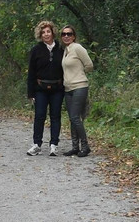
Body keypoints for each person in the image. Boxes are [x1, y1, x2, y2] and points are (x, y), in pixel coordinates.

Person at [26, 20, 65, 156]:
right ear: (40, 35)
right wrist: (31, 93)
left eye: (48, 31)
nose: (46, 34)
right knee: (39, 116)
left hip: (57, 88)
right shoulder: (36, 50)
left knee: (55, 116)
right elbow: (31, 72)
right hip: (40, 88)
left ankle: (54, 144)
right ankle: (37, 144)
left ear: (53, 32)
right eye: (43, 32)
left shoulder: (61, 49)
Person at [60, 25, 93, 157]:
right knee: (72, 118)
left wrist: (80, 74)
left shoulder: (77, 48)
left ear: (73, 36)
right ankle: (75, 147)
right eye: (63, 34)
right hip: (68, 88)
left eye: (69, 34)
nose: (66, 36)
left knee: (75, 117)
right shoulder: (66, 50)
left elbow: (89, 65)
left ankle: (85, 146)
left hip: (79, 86)